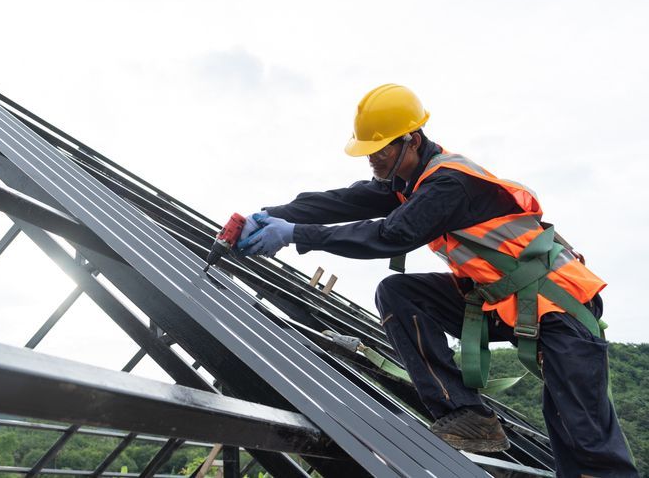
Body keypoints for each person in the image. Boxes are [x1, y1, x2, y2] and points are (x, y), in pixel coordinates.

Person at [237, 84, 636, 477]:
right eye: (368, 151)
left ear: (410, 141)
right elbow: (344, 200)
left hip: (558, 305)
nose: (372, 160)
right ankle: (467, 416)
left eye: (381, 150)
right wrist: (272, 214)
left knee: (583, 440)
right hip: (503, 301)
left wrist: (294, 235)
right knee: (399, 294)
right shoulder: (409, 181)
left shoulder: (448, 183)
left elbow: (390, 235)